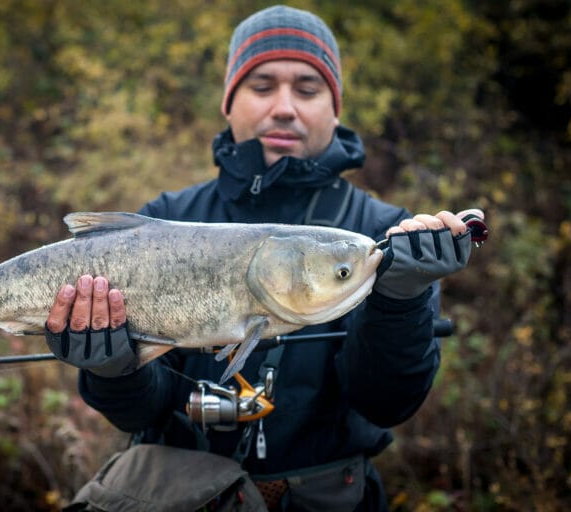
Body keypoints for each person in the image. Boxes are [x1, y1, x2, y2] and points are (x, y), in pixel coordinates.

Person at [45, 5, 481, 511]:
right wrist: (112, 366)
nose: (284, 107)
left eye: (307, 89)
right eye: (261, 86)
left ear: (334, 109)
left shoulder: (383, 238)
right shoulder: (166, 217)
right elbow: (138, 410)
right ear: (228, 103)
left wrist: (399, 301)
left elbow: (387, 404)